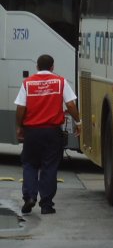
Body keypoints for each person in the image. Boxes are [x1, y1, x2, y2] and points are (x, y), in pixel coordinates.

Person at [14, 54, 81, 215]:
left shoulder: (27, 83)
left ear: (36, 67)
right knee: (49, 166)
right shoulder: (60, 82)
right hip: (52, 132)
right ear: (52, 67)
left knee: (29, 164)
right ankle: (46, 205)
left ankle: (29, 197)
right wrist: (78, 123)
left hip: (32, 132)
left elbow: (21, 108)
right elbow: (70, 105)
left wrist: (19, 127)